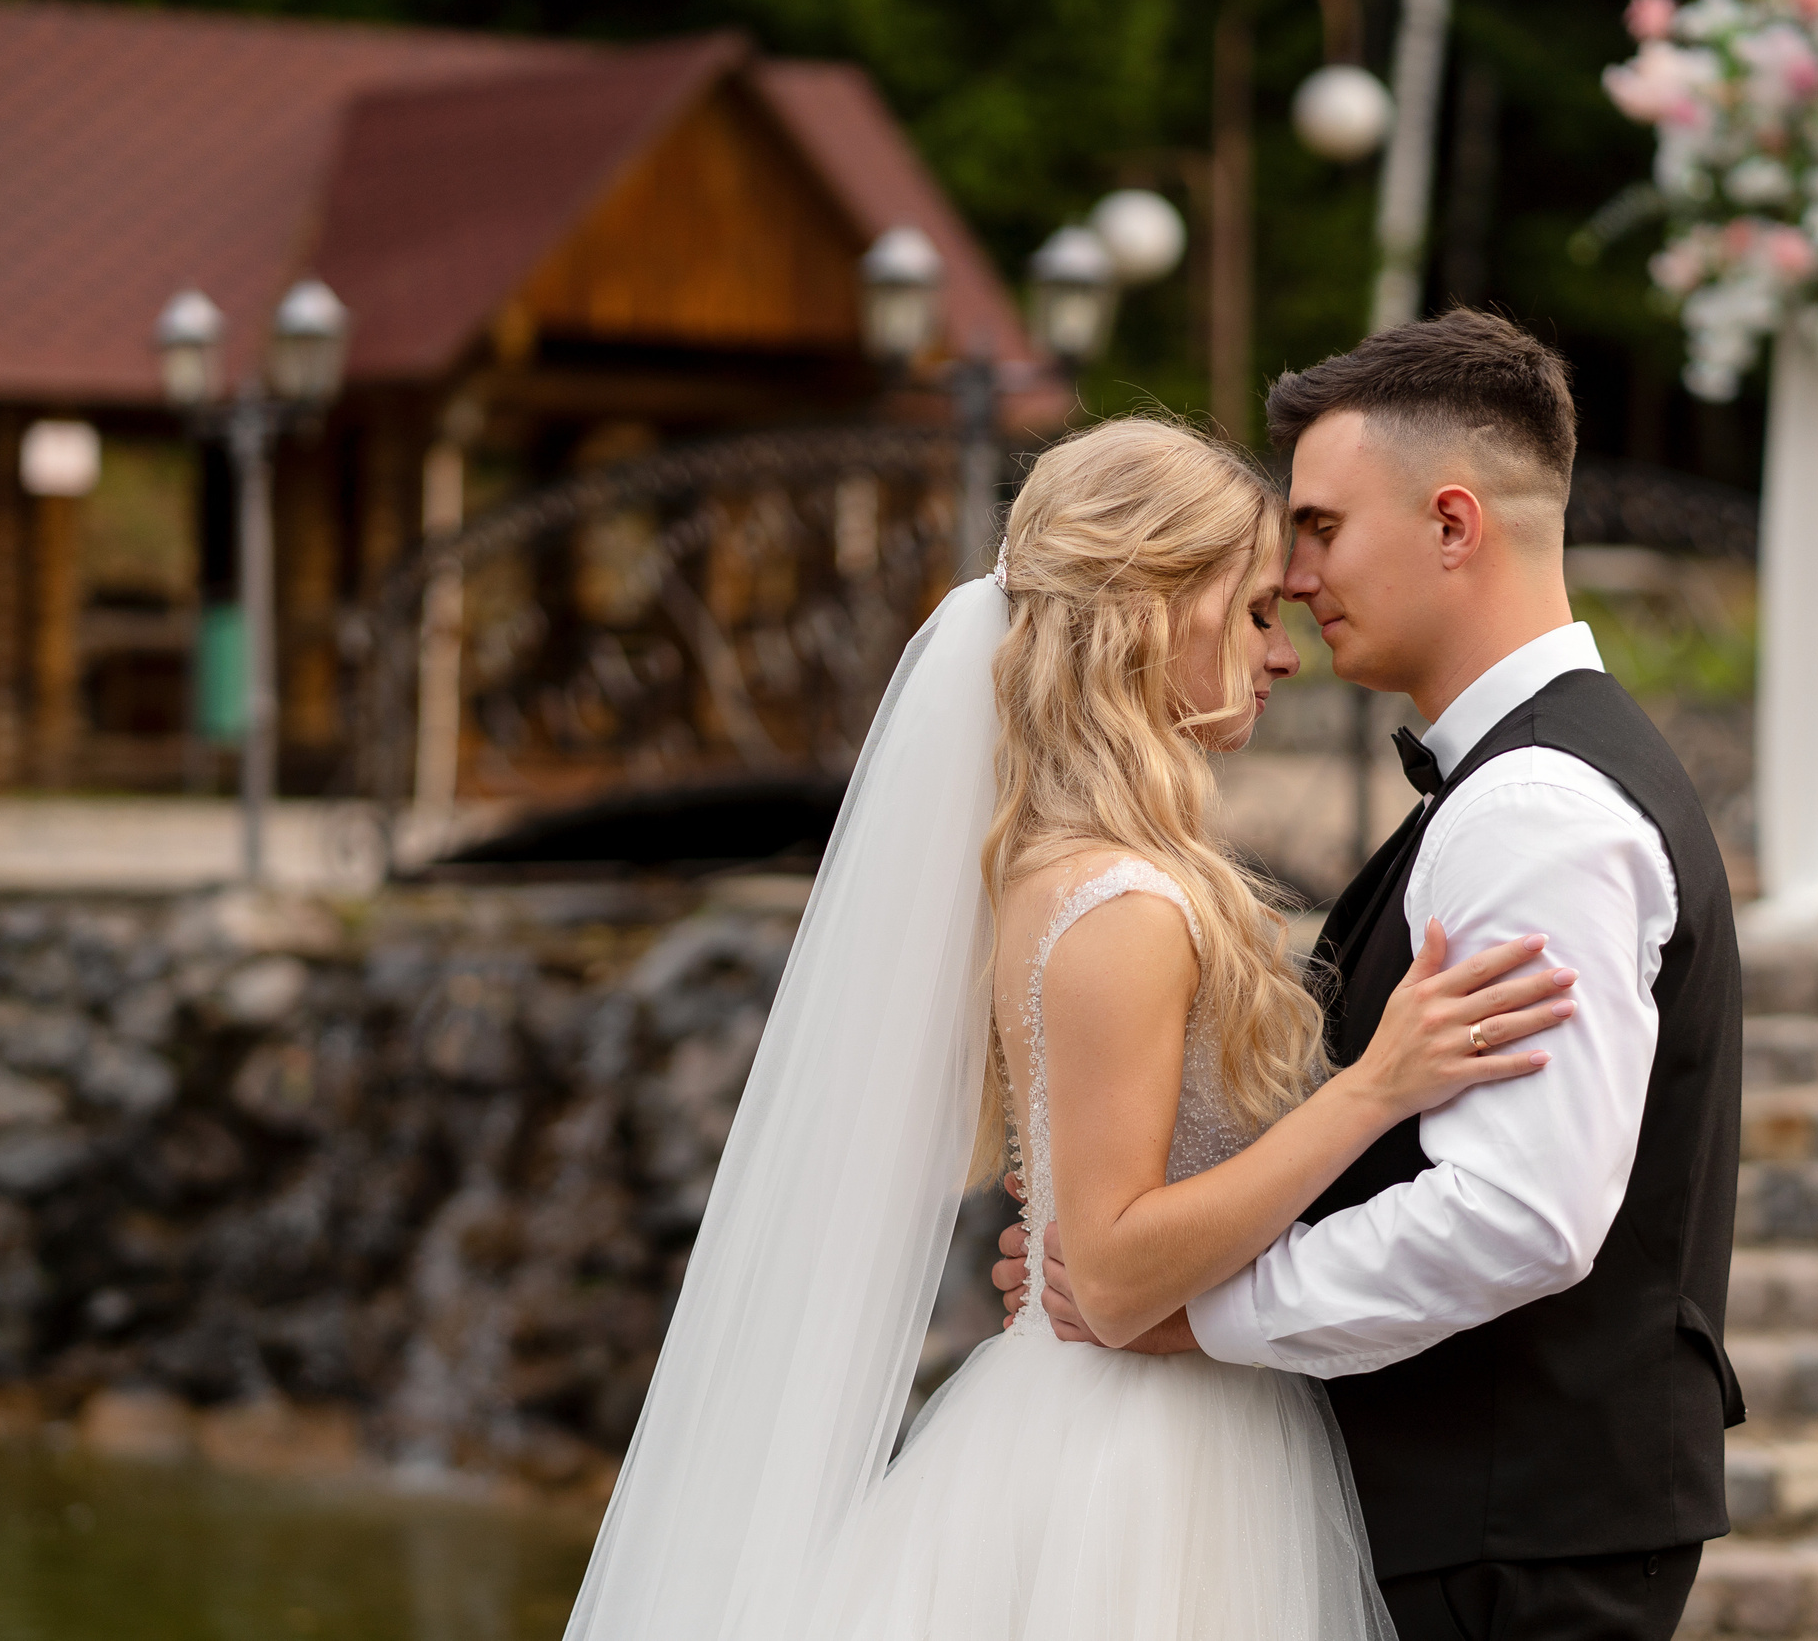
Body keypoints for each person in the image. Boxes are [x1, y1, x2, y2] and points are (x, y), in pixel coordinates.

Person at [562, 415, 1576, 1641]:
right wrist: (1371, 1092)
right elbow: (1109, 1267)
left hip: (1164, 1420)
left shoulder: (1091, 876)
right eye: (1253, 611)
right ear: (1156, 612)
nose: (1282, 651)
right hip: (1136, 1461)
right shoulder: (1121, 907)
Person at [999, 310, 1746, 1641]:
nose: (1297, 573)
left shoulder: (1534, 813)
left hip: (1506, 1536)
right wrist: (1124, 1231)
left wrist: (1201, 1312)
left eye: (1326, 528)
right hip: (1471, 1516)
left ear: (1454, 523)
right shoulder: (1508, 788)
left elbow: (1516, 1212)